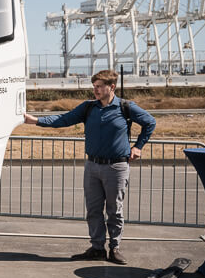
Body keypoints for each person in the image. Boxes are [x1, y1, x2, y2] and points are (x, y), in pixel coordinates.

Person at [22, 70, 156, 265]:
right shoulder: (88, 108)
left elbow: (150, 122)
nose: (96, 90)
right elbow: (63, 119)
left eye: (100, 86)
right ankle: (97, 248)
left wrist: (138, 146)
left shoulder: (125, 107)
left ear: (112, 87)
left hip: (116, 167)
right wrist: (35, 121)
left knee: (114, 210)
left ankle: (115, 248)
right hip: (92, 166)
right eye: (94, 86)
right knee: (93, 210)